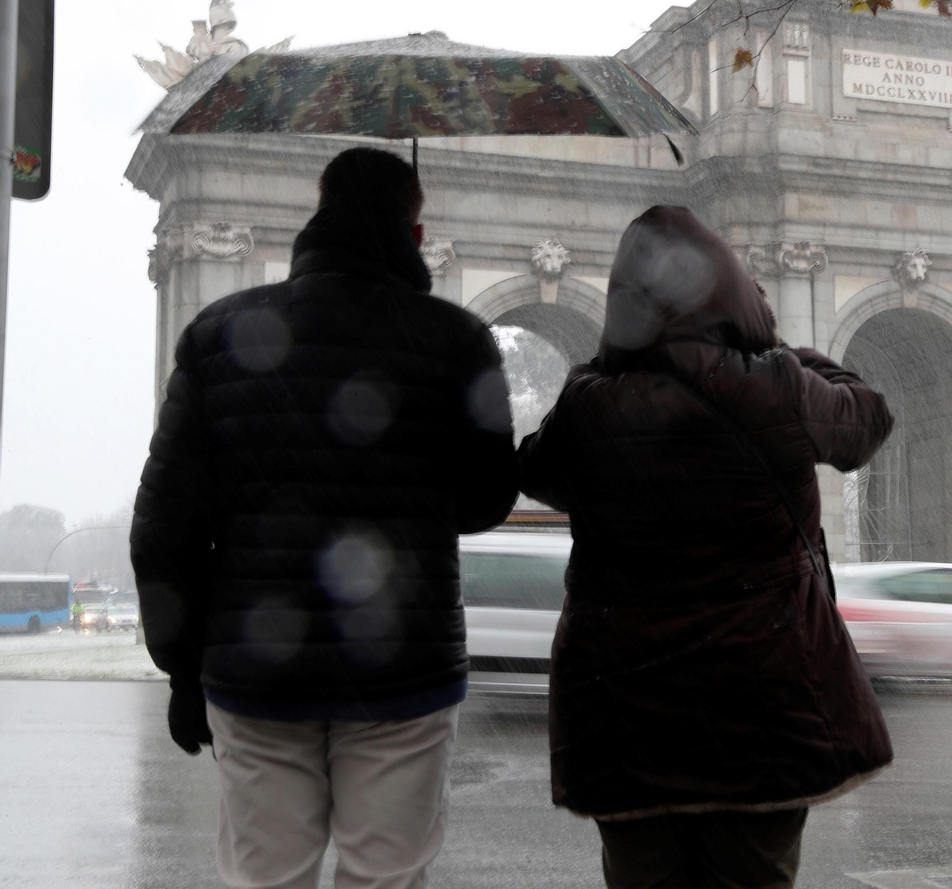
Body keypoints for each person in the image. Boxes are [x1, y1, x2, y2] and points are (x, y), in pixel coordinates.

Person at [130, 146, 519, 889]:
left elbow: (163, 527)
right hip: (404, 668)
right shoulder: (458, 341)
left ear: (319, 211)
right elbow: (484, 501)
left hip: (254, 668)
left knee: (267, 880)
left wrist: (182, 668)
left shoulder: (217, 335)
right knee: (386, 877)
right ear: (413, 230)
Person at [519, 205, 895, 889]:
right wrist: (779, 351)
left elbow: (537, 472)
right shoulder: (780, 388)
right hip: (765, 711)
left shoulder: (590, 405)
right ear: (732, 294)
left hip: (626, 713)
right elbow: (867, 417)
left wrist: (601, 372)